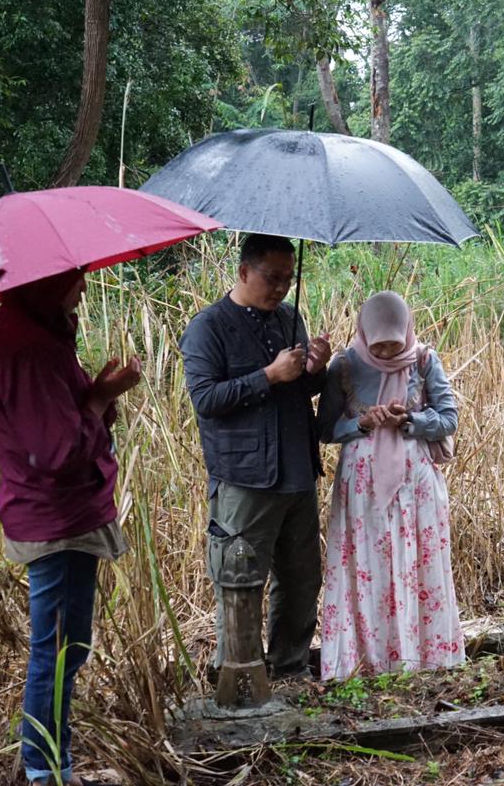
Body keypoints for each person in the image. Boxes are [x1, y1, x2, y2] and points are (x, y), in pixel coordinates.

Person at [0, 270, 141, 786]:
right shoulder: (29, 349)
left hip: (62, 512)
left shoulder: (37, 335)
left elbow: (60, 425)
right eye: (74, 279)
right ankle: (44, 769)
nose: (82, 288)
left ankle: (52, 763)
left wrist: (98, 393)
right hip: (55, 515)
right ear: (44, 282)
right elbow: (55, 452)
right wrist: (102, 400)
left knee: (66, 644)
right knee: (56, 647)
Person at [179, 234, 331, 679]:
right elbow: (206, 398)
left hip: (297, 471)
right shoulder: (208, 326)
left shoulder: (289, 319)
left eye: (288, 278)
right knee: (240, 578)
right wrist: (268, 374)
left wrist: (314, 371)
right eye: (272, 277)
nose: (281, 287)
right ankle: (238, 673)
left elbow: (300, 391)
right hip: (244, 476)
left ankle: (289, 666)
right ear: (244, 271)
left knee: (302, 579)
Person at [317, 290, 463, 680]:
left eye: (392, 345)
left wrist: (410, 422)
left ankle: (421, 657)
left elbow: (449, 418)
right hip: (362, 486)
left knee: (417, 560)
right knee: (366, 563)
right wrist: (362, 424)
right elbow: (324, 429)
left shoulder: (423, 359)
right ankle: (368, 659)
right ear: (364, 334)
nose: (384, 354)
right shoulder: (344, 366)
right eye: (377, 345)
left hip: (416, 484)